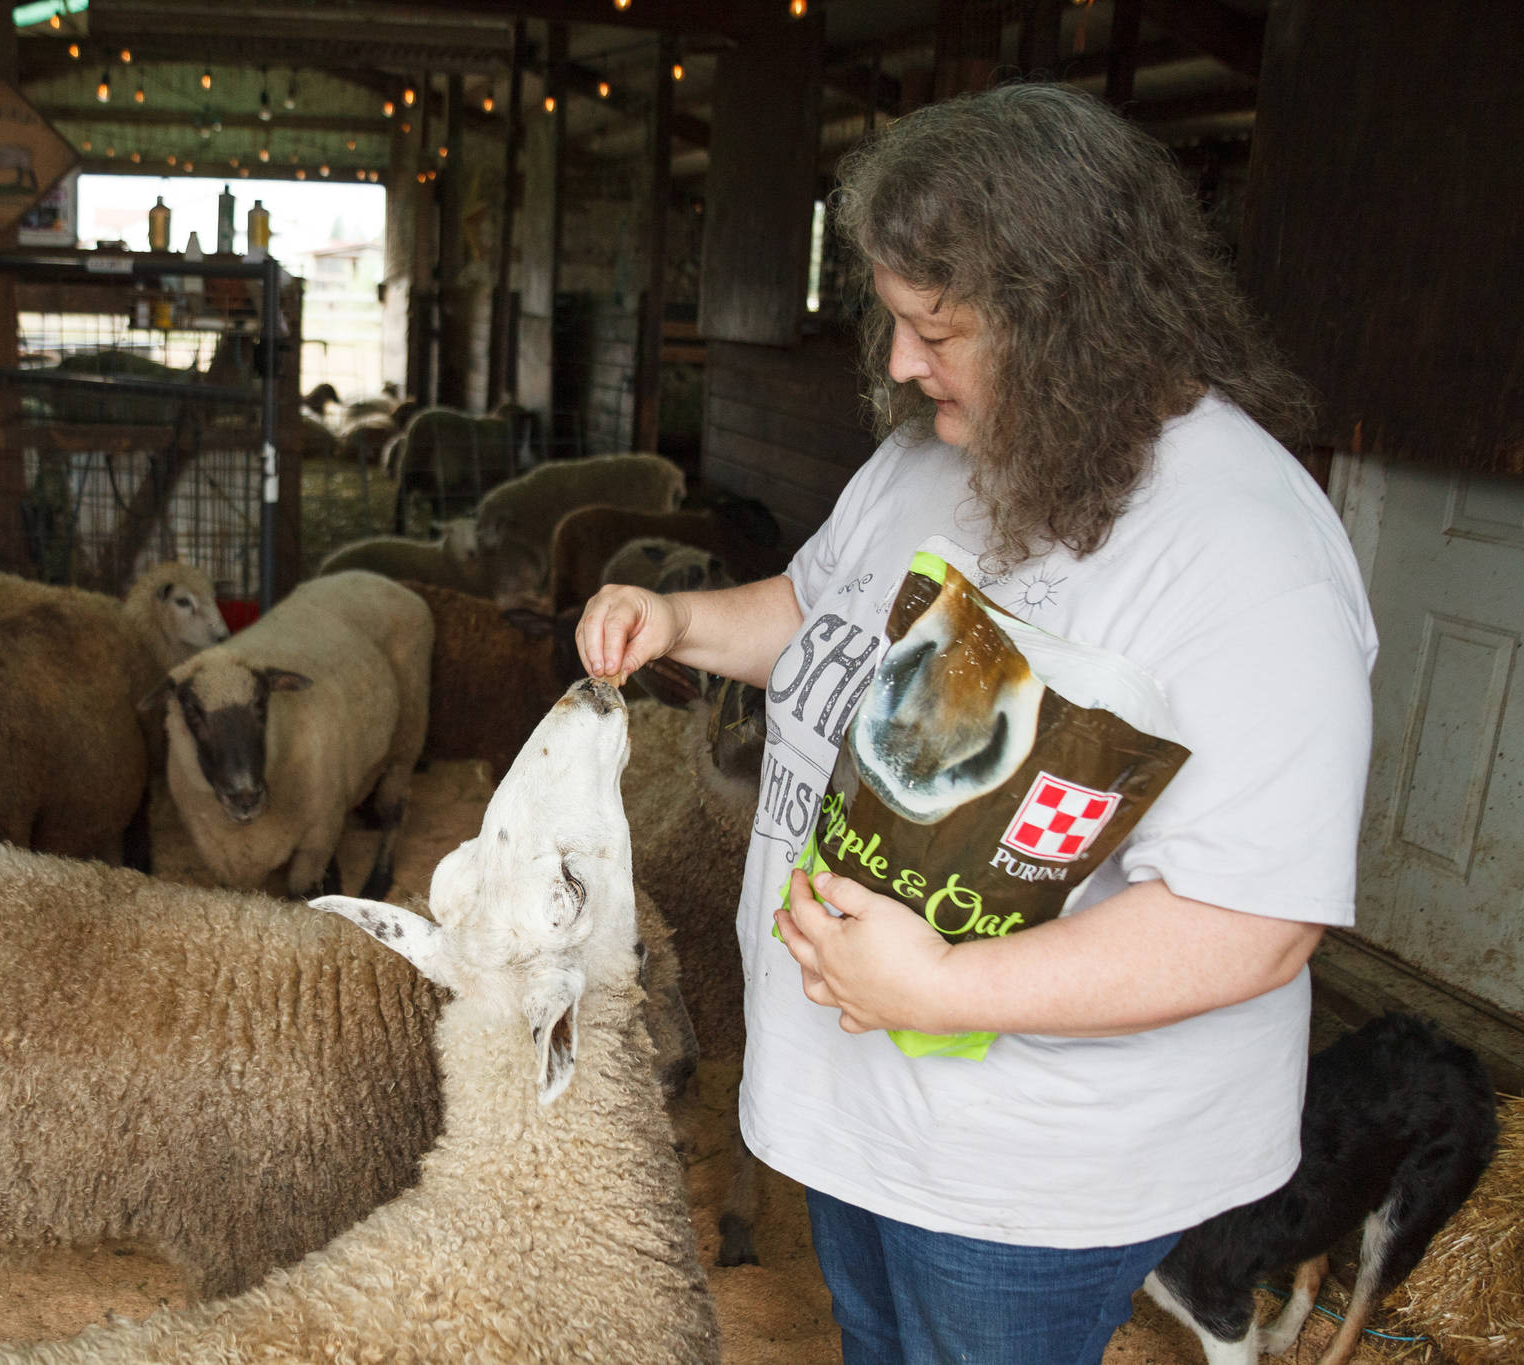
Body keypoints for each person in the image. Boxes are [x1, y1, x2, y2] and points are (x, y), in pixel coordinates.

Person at [577, 84, 1377, 1365]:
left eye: (931, 330)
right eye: (893, 321)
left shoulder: (1242, 552)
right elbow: (814, 607)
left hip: (1023, 1172)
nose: (897, 364)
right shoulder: (934, 451)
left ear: (1071, 323)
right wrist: (679, 625)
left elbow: (1252, 926)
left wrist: (944, 984)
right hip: (857, 1107)